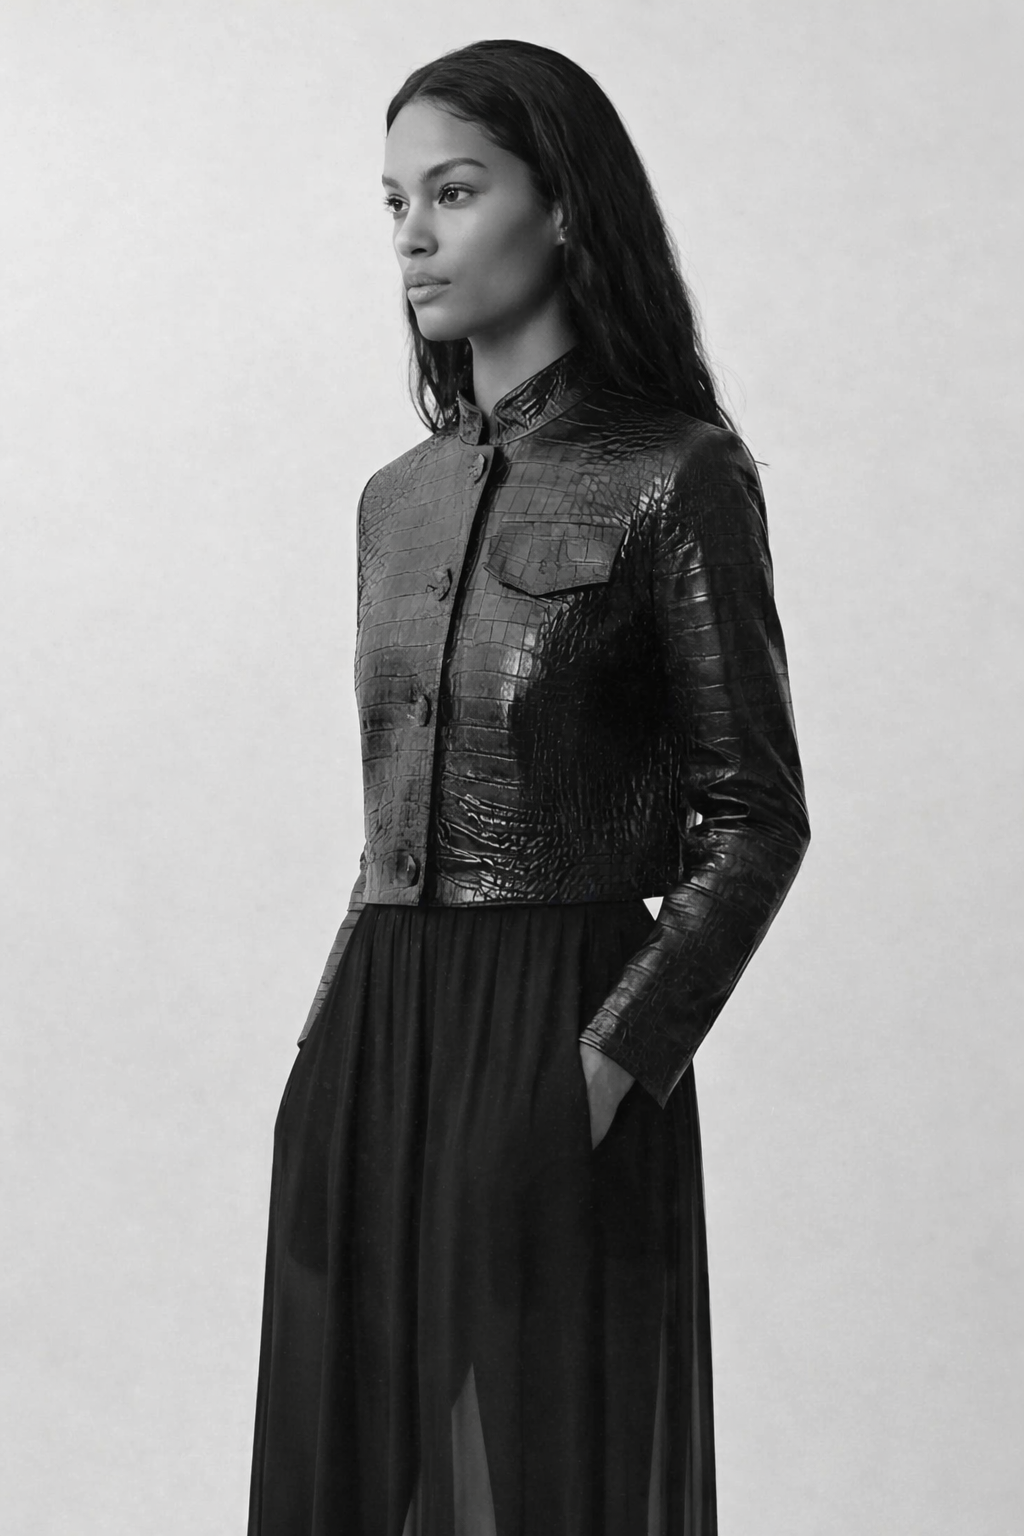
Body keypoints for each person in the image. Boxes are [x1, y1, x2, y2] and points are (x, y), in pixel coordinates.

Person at [247, 38, 809, 1536]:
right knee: (361, 1469)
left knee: (550, 1467)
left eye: (454, 191)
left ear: (560, 207)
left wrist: (606, 1070)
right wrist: (318, 1064)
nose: (413, 236)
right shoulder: (394, 502)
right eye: (394, 202)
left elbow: (757, 818)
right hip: (379, 1020)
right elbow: (393, 812)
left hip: (565, 1014)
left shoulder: (676, 475)